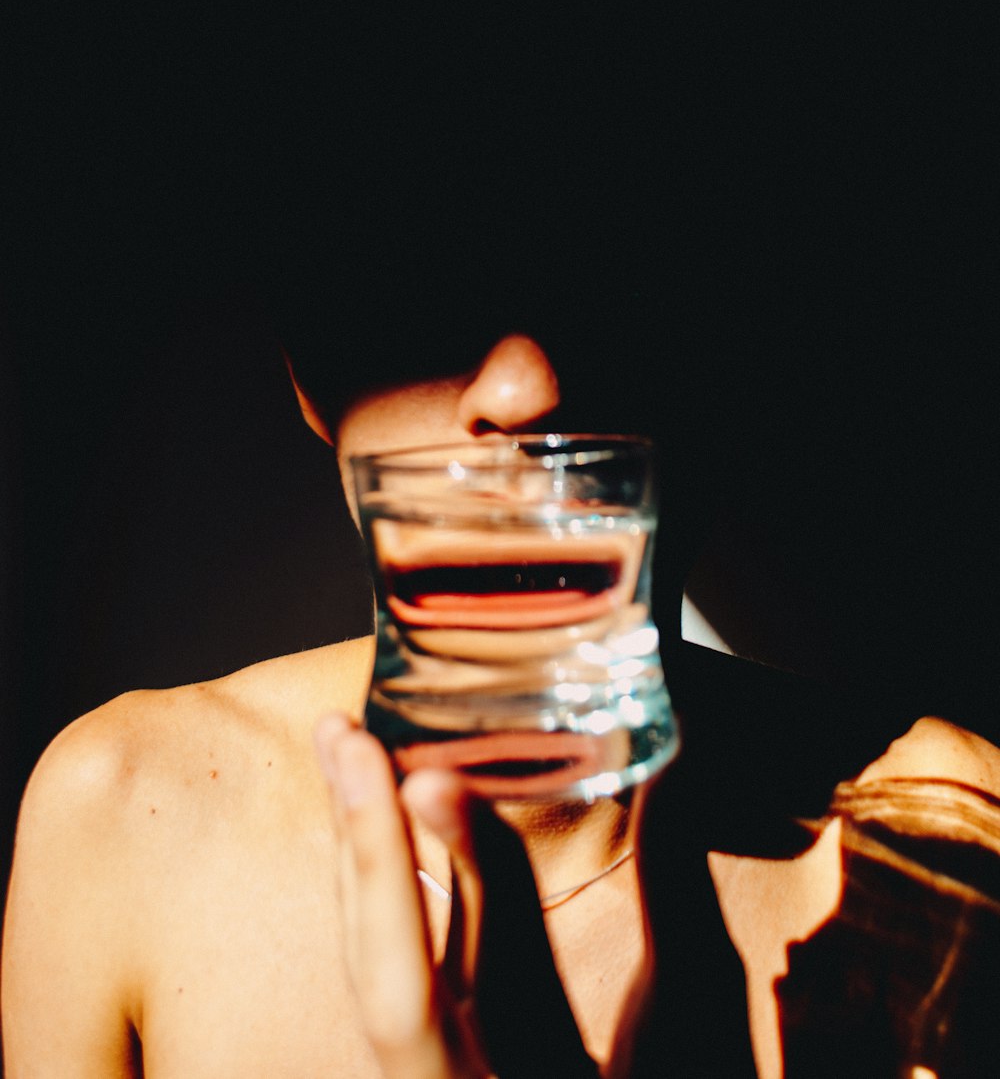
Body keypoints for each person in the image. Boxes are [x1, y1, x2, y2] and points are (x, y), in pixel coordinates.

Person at [5, 323, 1000, 1079]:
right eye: (432, 291)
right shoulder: (125, 818)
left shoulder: (959, 861)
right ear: (311, 372)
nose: (530, 386)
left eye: (610, 272)